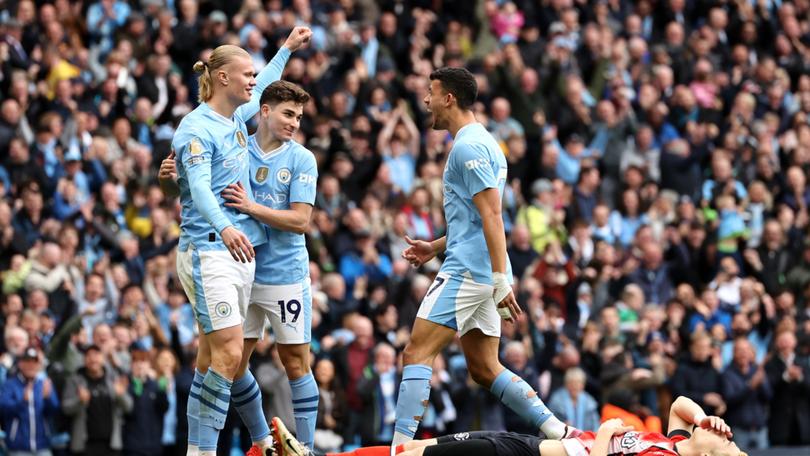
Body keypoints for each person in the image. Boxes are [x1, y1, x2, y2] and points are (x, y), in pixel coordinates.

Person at [391, 67, 571, 456]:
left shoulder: (468, 147)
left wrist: (499, 277)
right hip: (477, 265)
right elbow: (475, 219)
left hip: (469, 271)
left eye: (430, 93)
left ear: (449, 98)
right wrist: (436, 245)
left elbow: (492, 215)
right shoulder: (483, 141)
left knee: (416, 352)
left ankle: (400, 449)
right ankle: (558, 430)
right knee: (484, 367)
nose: (426, 100)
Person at [166, 27, 312, 456]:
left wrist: (285, 49)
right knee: (229, 356)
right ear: (223, 77)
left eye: (253, 74)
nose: (253, 80)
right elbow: (201, 187)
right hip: (210, 248)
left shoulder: (232, 120)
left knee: (215, 360)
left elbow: (267, 86)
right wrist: (228, 226)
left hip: (236, 253)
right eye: (245, 73)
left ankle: (256, 442)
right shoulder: (195, 129)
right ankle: (206, 450)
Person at [219, 80, 320, 450]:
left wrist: (251, 208)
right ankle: (263, 440)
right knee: (233, 364)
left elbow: (300, 221)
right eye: (288, 113)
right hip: (242, 272)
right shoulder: (236, 148)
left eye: (299, 116)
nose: (294, 122)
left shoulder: (301, 158)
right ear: (264, 111)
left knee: (295, 364)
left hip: (285, 275)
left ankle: (305, 448)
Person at [269, 396, 745, 456]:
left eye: (727, 443)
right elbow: (682, 405)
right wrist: (704, 418)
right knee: (412, 450)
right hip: (525, 443)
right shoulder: (675, 440)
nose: (724, 432)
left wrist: (606, 433)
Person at [0, 347, 60, 456]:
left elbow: (54, 411)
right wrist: (22, 402)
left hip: (42, 445)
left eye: (34, 362)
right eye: (27, 362)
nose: (31, 365)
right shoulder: (10, 384)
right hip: (18, 447)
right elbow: (3, 409)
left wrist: (48, 398)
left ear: (39, 365)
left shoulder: (44, 383)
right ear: (20, 364)